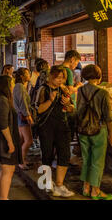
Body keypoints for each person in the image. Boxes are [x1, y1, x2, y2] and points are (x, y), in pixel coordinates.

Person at [33, 65, 75, 198]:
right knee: (47, 155)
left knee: (64, 154)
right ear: (51, 76)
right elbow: (38, 110)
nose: (60, 80)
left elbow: (71, 108)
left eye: (63, 78)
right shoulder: (43, 89)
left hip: (62, 126)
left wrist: (68, 103)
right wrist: (50, 101)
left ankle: (59, 184)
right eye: (58, 78)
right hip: (46, 127)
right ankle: (47, 182)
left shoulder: (64, 89)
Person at [77, 65, 112, 200]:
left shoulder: (80, 90)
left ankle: (86, 187)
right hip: (99, 130)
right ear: (98, 76)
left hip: (83, 130)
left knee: (86, 159)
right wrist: (111, 134)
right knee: (97, 161)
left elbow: (79, 110)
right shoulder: (103, 93)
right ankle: (96, 191)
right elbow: (108, 116)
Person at [0, 75, 22, 200]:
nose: (13, 85)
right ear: (6, 85)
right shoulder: (3, 100)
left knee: (6, 169)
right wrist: (10, 142)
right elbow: (3, 124)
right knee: (8, 169)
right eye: (11, 83)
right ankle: (3, 197)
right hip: (3, 141)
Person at [13, 68, 34, 170]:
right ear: (21, 76)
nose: (29, 75)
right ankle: (21, 161)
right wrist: (28, 115)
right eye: (27, 73)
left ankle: (20, 159)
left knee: (21, 140)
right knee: (28, 140)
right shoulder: (20, 87)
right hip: (22, 116)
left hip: (20, 115)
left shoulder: (20, 86)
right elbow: (23, 103)